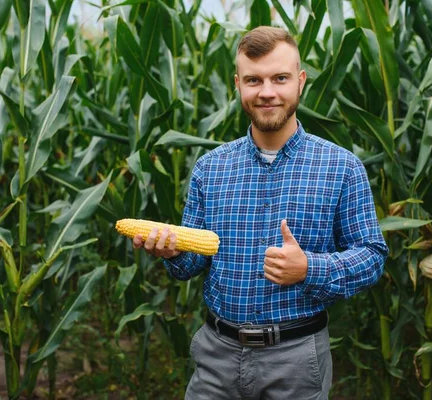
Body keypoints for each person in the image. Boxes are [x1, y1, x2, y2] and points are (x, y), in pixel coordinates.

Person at [132, 26, 388, 400]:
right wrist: (171, 252)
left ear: (300, 82)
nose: (266, 92)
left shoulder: (341, 167)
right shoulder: (211, 168)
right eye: (253, 80)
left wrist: (309, 269)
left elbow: (372, 256)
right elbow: (190, 265)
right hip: (216, 356)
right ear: (238, 84)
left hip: (296, 360)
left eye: (279, 78)